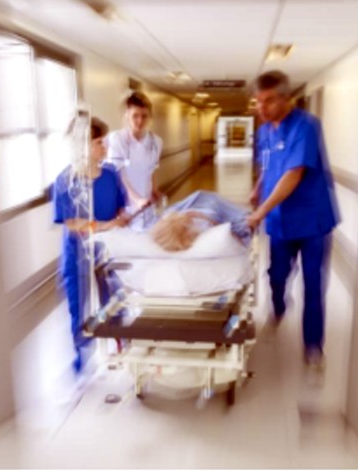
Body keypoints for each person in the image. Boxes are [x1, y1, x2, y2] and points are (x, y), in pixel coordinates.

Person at [246, 70, 339, 369]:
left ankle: (313, 348)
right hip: (280, 221)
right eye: (258, 101)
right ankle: (279, 308)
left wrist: (260, 211)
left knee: (314, 285)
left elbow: (293, 173)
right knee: (276, 275)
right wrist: (257, 188)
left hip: (312, 221)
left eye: (269, 101)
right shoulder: (264, 132)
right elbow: (268, 167)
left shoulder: (307, 126)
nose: (262, 108)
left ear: (287, 98)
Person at [53, 116, 128, 374]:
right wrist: (106, 225)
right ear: (82, 145)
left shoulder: (111, 175)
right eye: (99, 142)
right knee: (79, 307)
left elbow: (121, 208)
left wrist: (121, 220)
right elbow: (73, 223)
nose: (105, 147)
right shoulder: (65, 181)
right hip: (77, 254)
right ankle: (82, 356)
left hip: (107, 250)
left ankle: (122, 345)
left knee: (115, 299)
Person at [106, 92, 164, 230]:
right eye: (135, 116)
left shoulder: (156, 142)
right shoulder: (117, 139)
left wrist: (154, 190)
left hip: (147, 206)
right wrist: (136, 199)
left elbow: (152, 169)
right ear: (127, 115)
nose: (140, 121)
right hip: (125, 209)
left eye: (144, 116)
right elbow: (119, 174)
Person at [150, 190, 252, 251]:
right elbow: (236, 241)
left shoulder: (166, 228)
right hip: (207, 209)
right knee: (210, 200)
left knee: (204, 197)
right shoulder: (202, 229)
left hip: (187, 208)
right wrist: (206, 219)